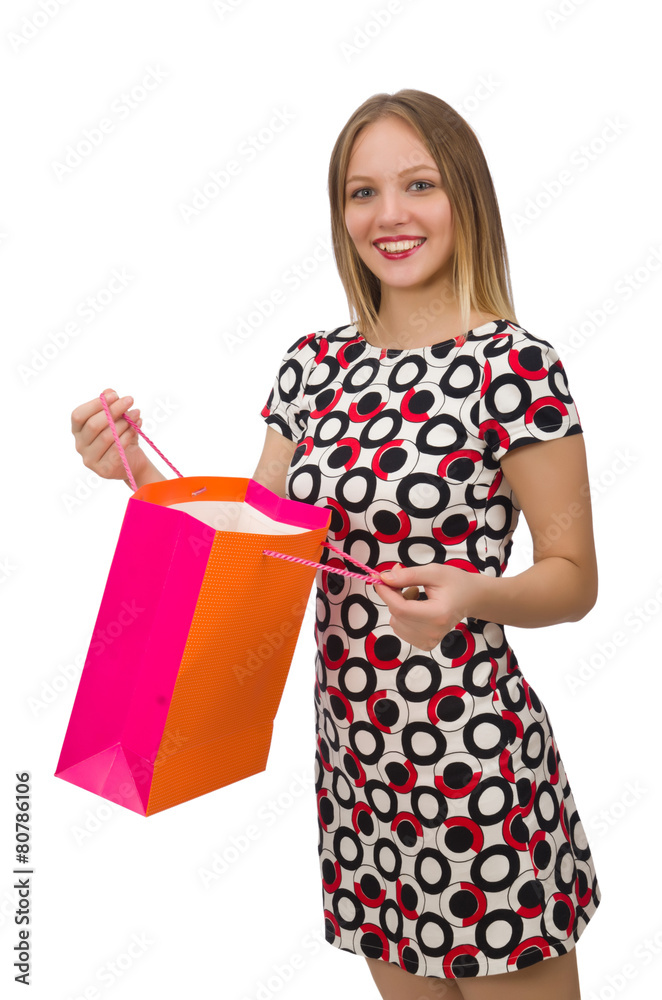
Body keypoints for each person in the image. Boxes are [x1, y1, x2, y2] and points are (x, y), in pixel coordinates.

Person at [71, 89, 601, 999]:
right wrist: (133, 470)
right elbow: (251, 547)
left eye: (418, 184)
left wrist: (474, 592)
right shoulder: (314, 364)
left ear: (465, 196)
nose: (388, 216)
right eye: (362, 193)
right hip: (358, 764)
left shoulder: (514, 366)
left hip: (475, 759)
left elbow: (573, 578)